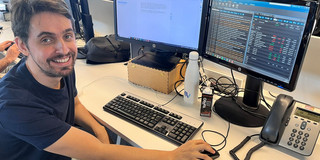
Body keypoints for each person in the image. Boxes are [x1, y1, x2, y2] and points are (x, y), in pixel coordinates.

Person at [0, 0, 215, 159]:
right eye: (46, 39)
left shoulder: (58, 67)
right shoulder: (16, 105)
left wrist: (100, 130)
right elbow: (98, 152)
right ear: (23, 46)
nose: (63, 49)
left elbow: (73, 103)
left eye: (67, 35)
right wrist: (172, 156)